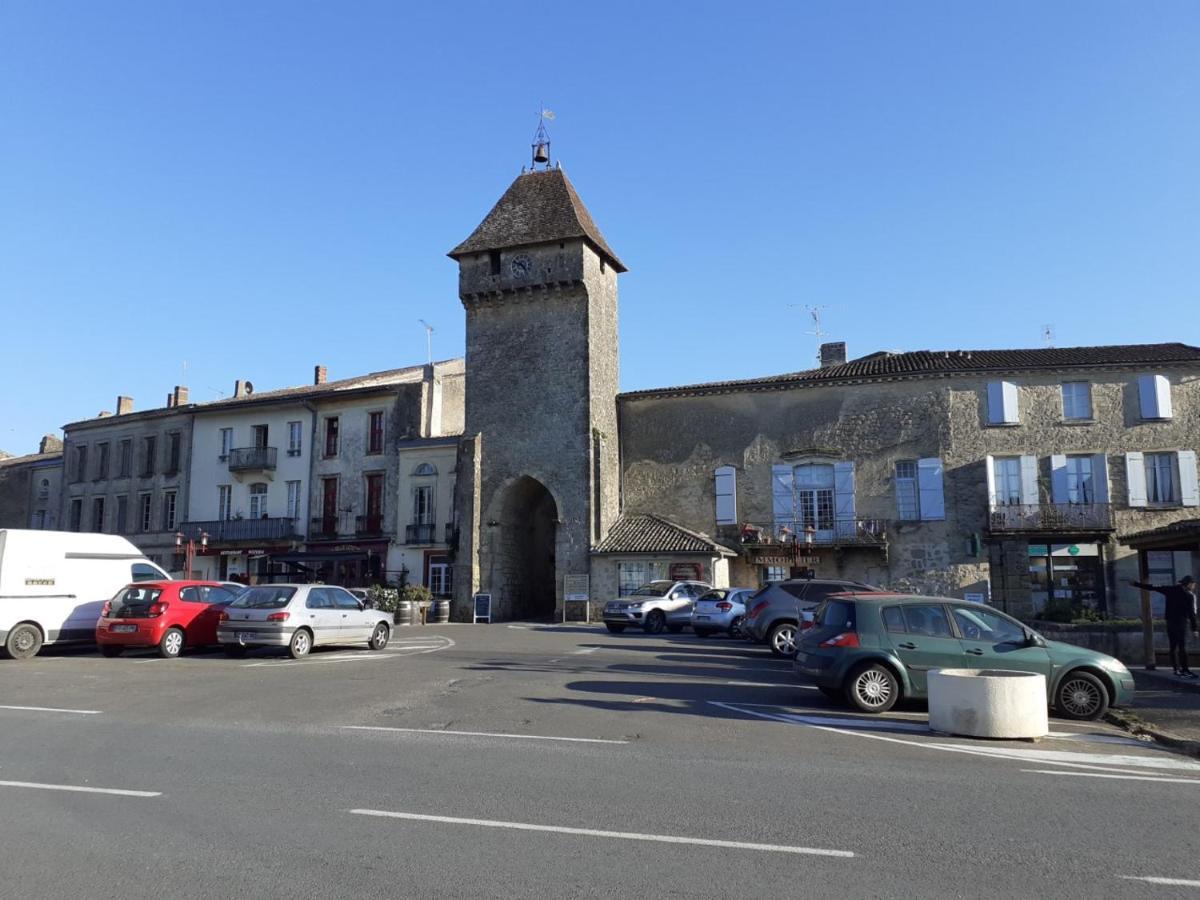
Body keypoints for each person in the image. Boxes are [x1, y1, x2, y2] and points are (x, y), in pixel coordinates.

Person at [1130, 575, 1199, 677]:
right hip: (1181, 622)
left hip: (1170, 621)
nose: (1194, 586)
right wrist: (1195, 629)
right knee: (1182, 646)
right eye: (1193, 584)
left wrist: (1136, 584)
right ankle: (1185, 669)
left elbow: (1153, 587)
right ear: (1189, 584)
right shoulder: (1189, 595)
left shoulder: (1171, 590)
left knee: (1173, 646)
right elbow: (1192, 614)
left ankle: (1176, 669)